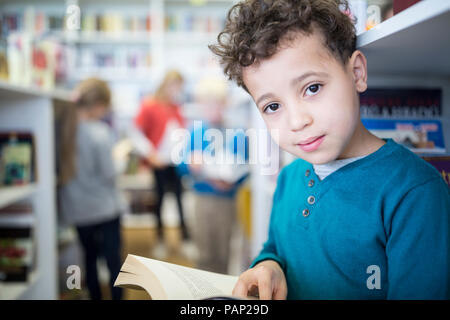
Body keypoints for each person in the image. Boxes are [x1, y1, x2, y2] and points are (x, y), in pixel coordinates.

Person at [209, 0, 450, 299]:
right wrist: (268, 266)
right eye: (272, 106)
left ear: (357, 73)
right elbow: (275, 248)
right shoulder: (289, 178)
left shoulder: (415, 192)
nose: (298, 121)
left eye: (312, 88)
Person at [177, 75, 248, 274]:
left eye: (216, 104)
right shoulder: (195, 133)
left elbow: (245, 169)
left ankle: (220, 296)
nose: (212, 110)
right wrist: (190, 165)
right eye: (207, 105)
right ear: (200, 105)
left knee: (224, 251)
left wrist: (234, 182)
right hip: (201, 198)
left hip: (227, 200)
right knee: (204, 252)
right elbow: (181, 165)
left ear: (225, 104)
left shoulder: (237, 134)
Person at [60, 78, 123, 300]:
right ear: (98, 105)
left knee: (88, 260)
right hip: (104, 209)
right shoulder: (100, 132)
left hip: (78, 210)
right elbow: (110, 174)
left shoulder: (64, 131)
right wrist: (120, 158)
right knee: (113, 261)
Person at [134, 70, 189, 240]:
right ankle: (159, 237)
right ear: (165, 85)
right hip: (159, 162)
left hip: (176, 161)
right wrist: (150, 154)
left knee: (180, 199)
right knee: (159, 199)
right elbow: (135, 133)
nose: (176, 91)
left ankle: (184, 236)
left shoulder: (176, 108)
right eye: (174, 86)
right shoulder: (150, 105)